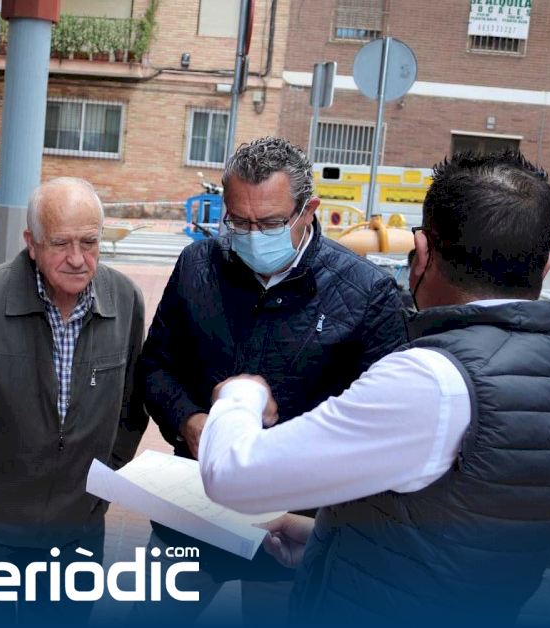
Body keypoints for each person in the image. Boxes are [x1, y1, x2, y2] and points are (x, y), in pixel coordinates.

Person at [200, 151, 550, 624]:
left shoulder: (431, 381)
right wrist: (329, 542)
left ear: (422, 253)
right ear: (546, 265)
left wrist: (241, 395)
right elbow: (466, 538)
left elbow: (232, 475)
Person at [134, 136, 407, 620]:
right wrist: (188, 420)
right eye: (239, 222)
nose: (253, 235)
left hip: (293, 531)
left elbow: (382, 430)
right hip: (193, 514)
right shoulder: (198, 266)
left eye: (271, 223)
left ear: (309, 210)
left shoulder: (367, 293)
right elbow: (156, 366)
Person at [0, 177, 148, 625]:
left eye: (89, 242)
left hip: (78, 527)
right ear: (31, 243)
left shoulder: (125, 300)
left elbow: (131, 405)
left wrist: (103, 482)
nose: (77, 259)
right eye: (60, 243)